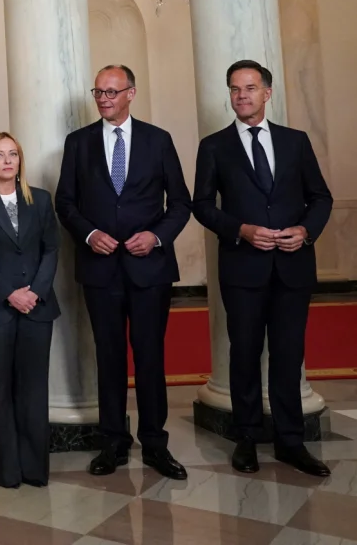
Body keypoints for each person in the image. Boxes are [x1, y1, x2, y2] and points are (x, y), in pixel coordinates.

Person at [193, 60, 332, 478]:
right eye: (235, 89)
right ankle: (247, 438)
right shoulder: (214, 146)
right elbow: (201, 206)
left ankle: (291, 442)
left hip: (293, 266)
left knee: (289, 356)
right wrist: (242, 229)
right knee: (245, 355)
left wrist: (305, 231)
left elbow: (320, 197)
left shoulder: (295, 142)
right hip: (243, 268)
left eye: (250, 88)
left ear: (267, 93)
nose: (242, 96)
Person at [55, 65, 191, 481]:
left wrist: (156, 236)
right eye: (98, 92)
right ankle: (113, 442)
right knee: (109, 357)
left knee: (150, 357)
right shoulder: (77, 143)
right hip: (100, 270)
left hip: (150, 269)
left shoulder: (158, 140)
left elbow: (181, 203)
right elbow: (65, 202)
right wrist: (90, 233)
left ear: (131, 93)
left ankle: (155, 443)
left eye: (112, 92)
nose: (103, 99)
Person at [0, 132, 60, 488]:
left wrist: (35, 292)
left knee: (33, 391)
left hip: (38, 307)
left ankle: (34, 469)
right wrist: (9, 294)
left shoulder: (41, 200)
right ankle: (5, 471)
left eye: (13, 154)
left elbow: (51, 249)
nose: (7, 161)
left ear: (20, 161)